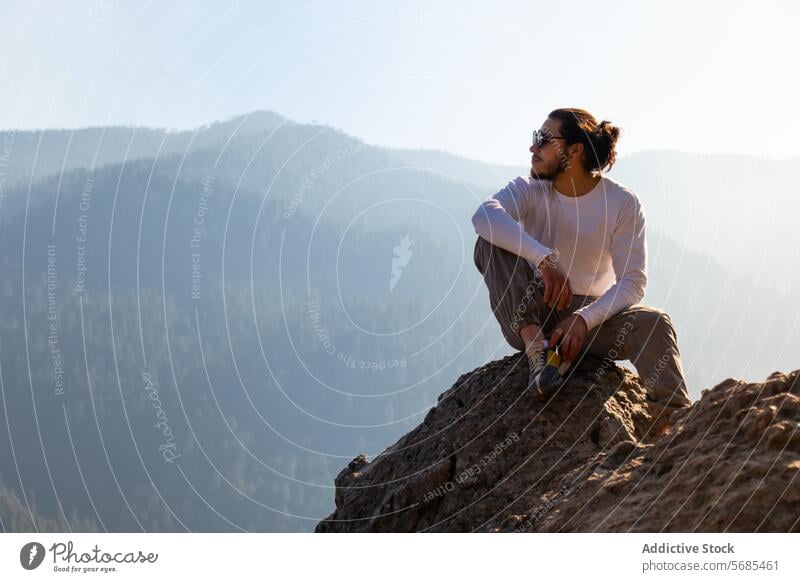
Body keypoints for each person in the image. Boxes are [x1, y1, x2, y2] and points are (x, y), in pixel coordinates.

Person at [471, 108, 692, 415]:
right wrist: (543, 258)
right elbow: (483, 217)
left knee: (654, 323)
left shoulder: (622, 203)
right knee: (489, 240)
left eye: (544, 139)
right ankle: (539, 353)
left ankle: (675, 426)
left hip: (591, 324)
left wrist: (583, 318)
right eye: (536, 137)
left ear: (574, 150)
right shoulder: (528, 188)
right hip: (530, 312)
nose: (533, 147)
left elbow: (633, 280)